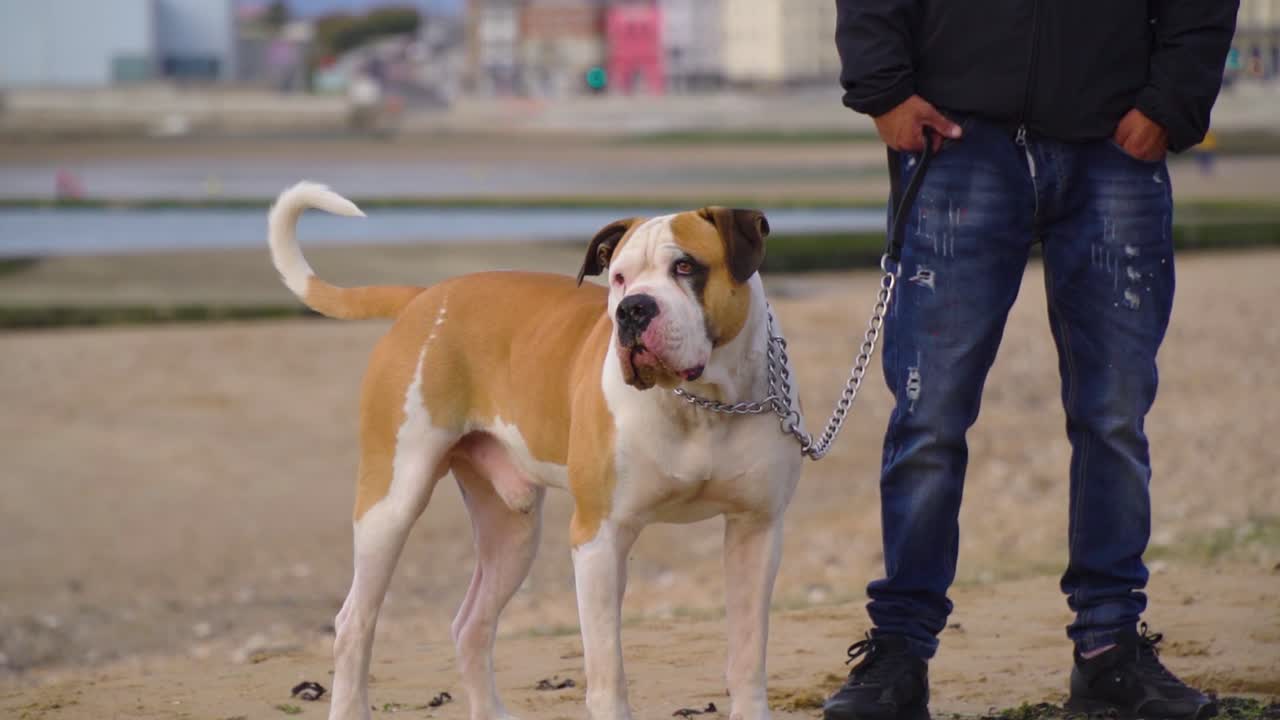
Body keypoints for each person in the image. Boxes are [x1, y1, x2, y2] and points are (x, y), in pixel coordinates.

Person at [825, 3, 1239, 720]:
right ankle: (898, 656)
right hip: (957, 138)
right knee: (930, 417)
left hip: (1115, 139)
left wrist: (1172, 101)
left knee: (1114, 417)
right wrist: (883, 91)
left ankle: (1109, 649)